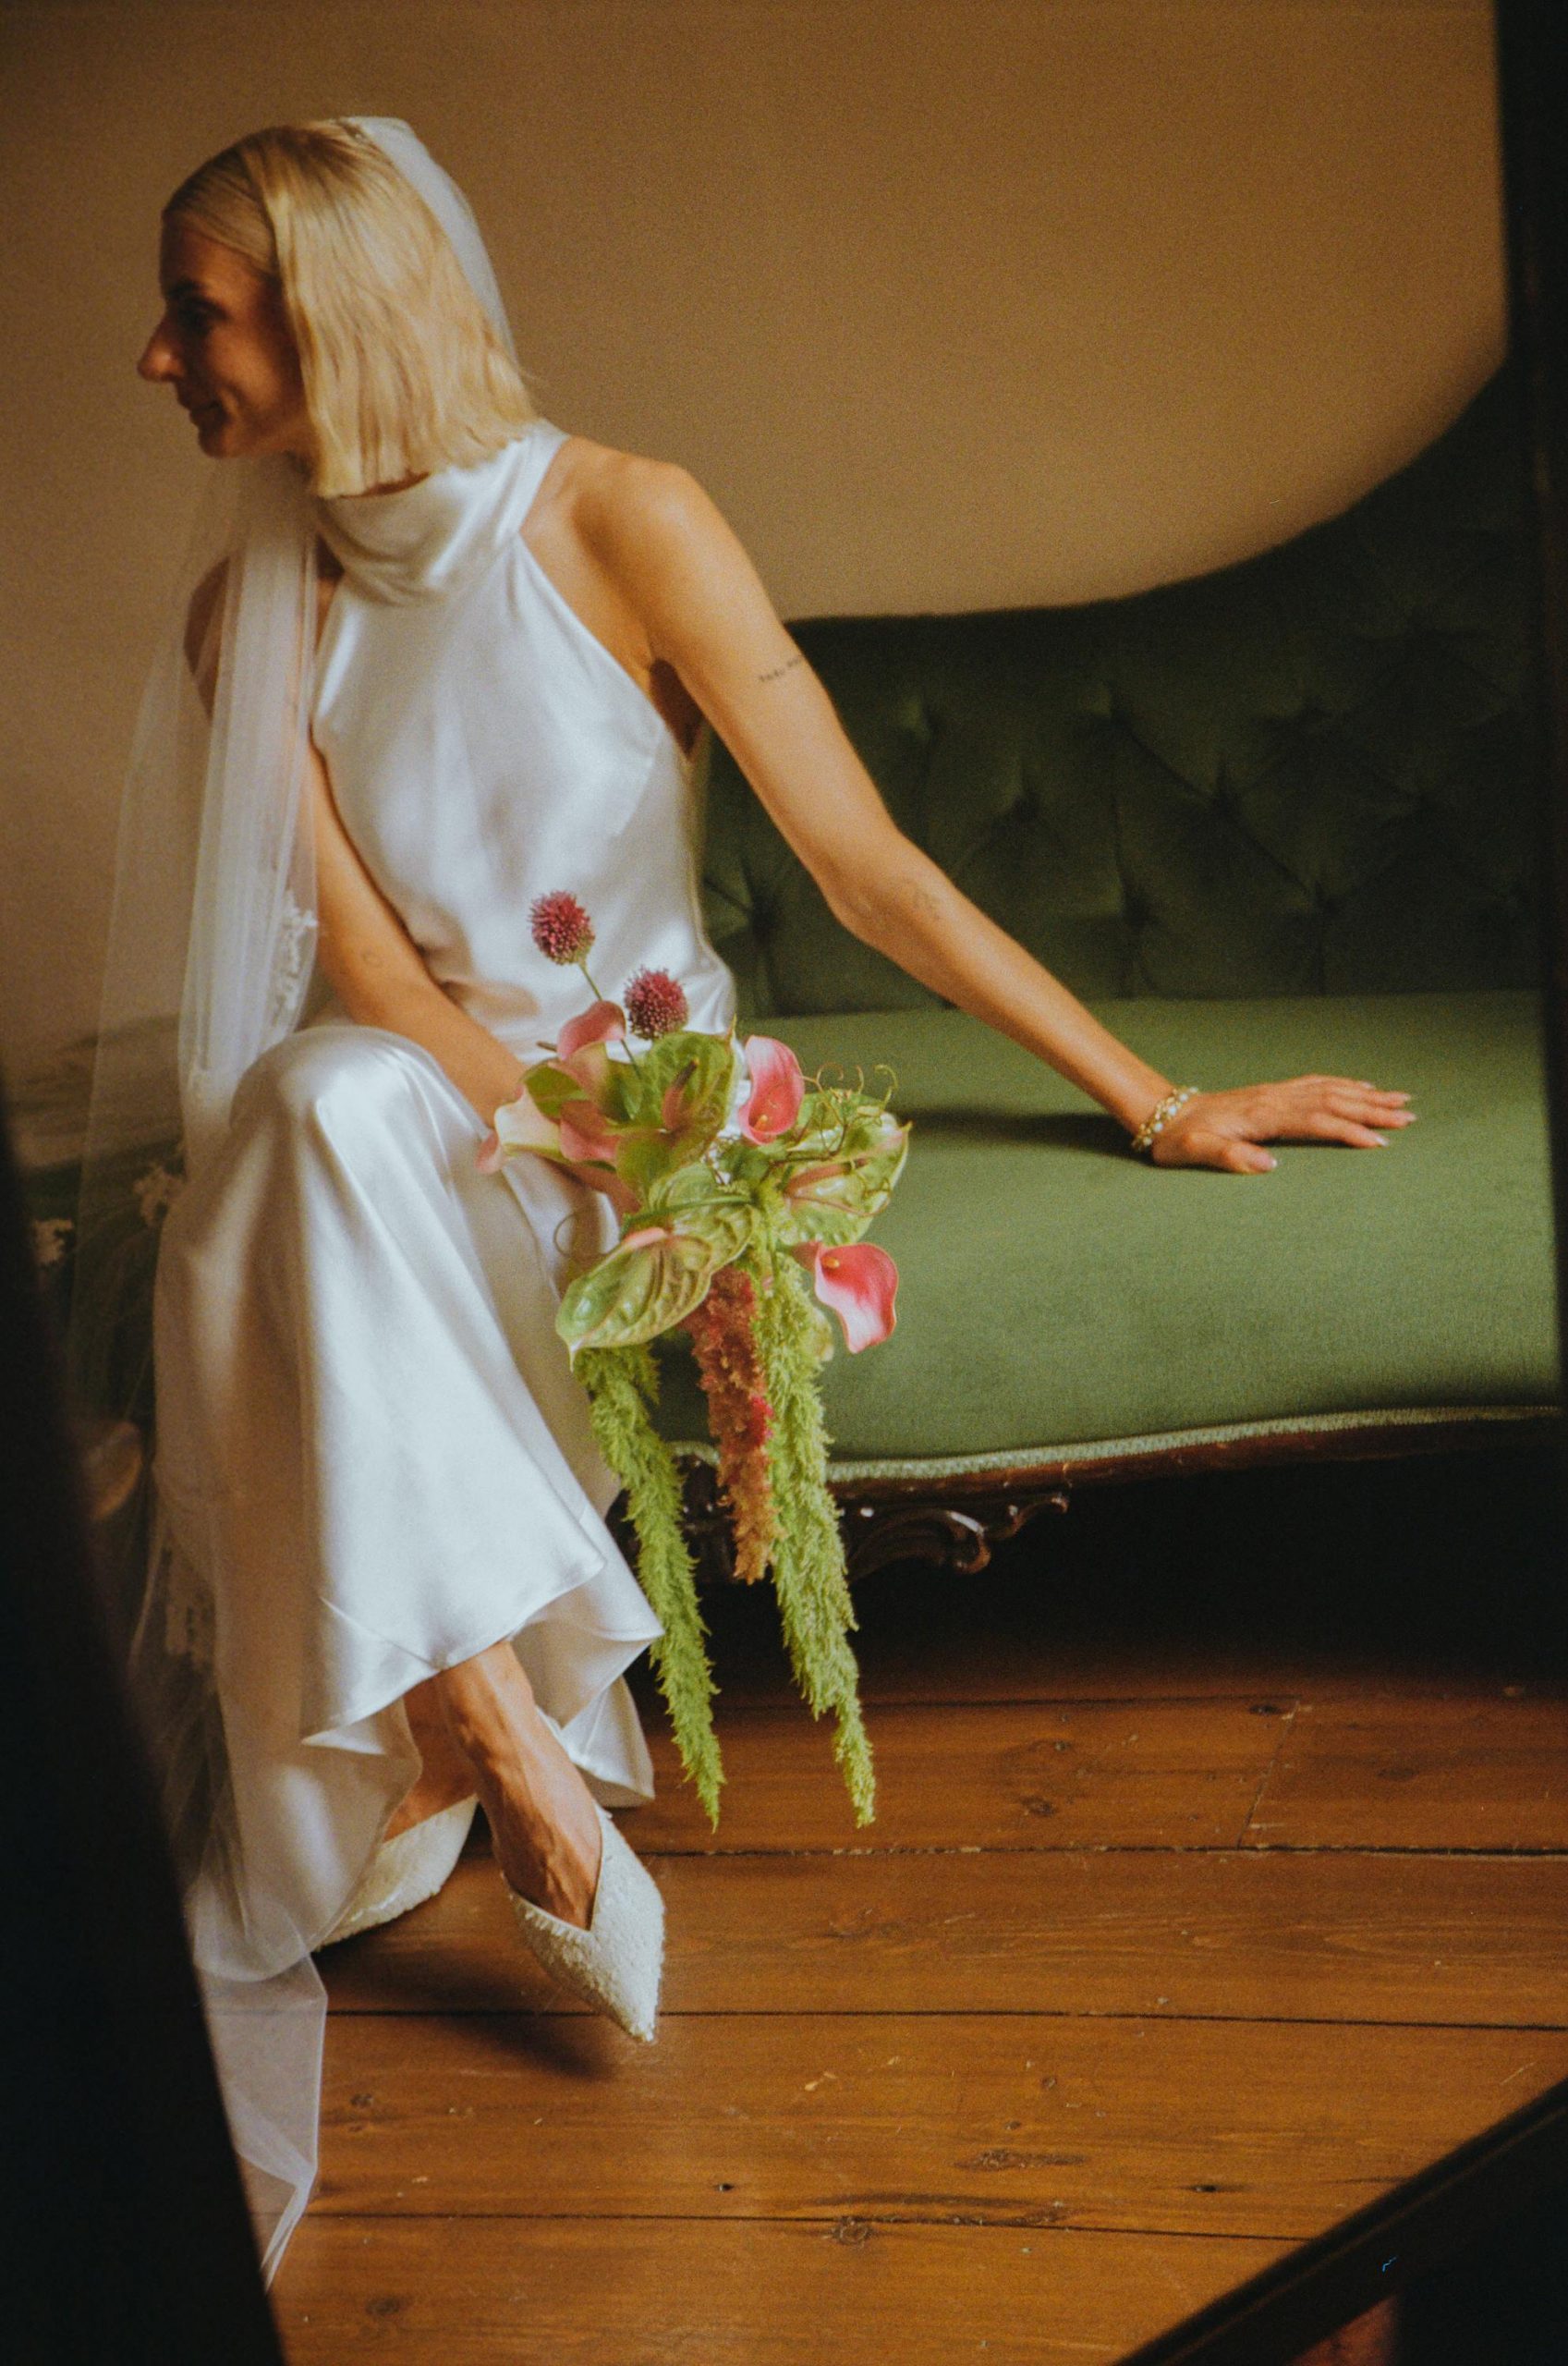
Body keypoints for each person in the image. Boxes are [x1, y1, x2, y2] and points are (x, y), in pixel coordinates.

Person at [91, 116, 1413, 2277]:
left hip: (650, 1114)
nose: (157, 358)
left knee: (287, 1165)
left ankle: (456, 1728)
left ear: (325, 311)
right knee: (316, 1111)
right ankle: (497, 1734)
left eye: (195, 310)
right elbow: (381, 987)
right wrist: (537, 1120)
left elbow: (865, 865)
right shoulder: (254, 609)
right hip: (432, 1113)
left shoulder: (624, 516)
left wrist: (1156, 1094)